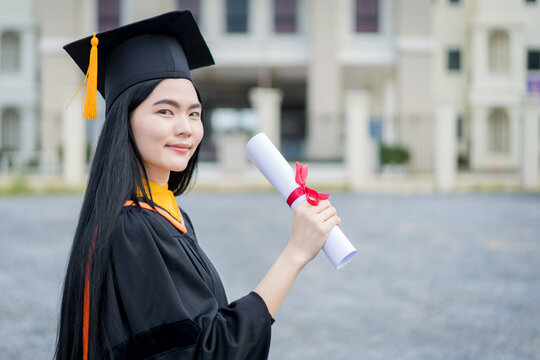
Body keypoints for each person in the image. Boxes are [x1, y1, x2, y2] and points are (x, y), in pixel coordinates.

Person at [55, 10, 340, 360]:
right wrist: (294, 254)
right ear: (123, 120)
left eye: (194, 113)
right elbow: (207, 352)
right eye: (165, 111)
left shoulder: (165, 214)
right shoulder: (133, 229)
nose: (186, 127)